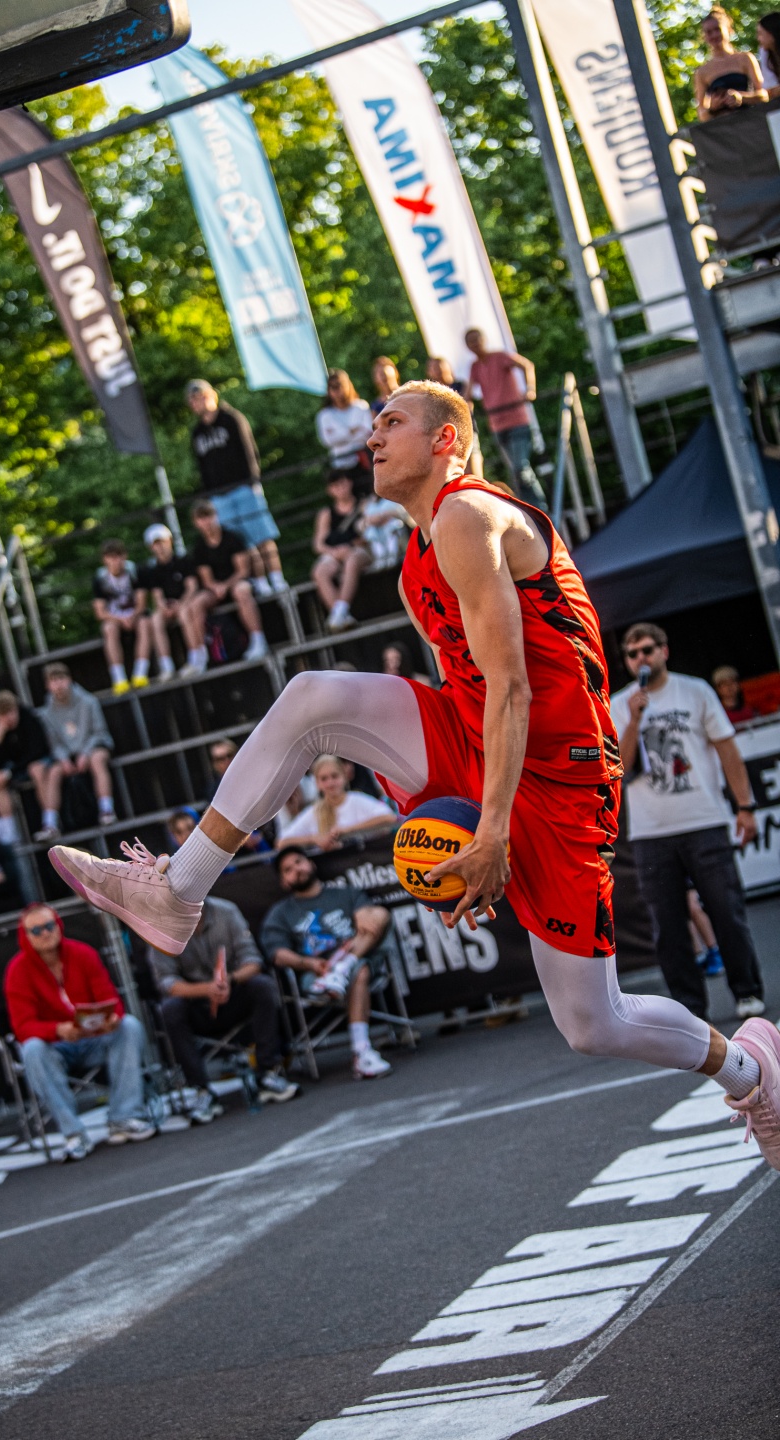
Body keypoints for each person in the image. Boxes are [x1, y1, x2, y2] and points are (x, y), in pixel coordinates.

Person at [50, 378, 780, 1177]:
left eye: (390, 421)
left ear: (444, 440)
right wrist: (452, 830)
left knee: (592, 1023)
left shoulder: (471, 514)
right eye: (372, 425)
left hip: (560, 774)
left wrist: (491, 831)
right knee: (312, 698)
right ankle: (178, 890)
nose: (371, 437)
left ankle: (752, 1072)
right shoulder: (412, 567)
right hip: (475, 735)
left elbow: (513, 686)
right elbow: (465, 694)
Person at [612, 622, 765, 1022]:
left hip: (703, 821)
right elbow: (619, 768)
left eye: (647, 650)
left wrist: (745, 806)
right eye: (632, 654)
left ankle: (747, 990)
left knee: (726, 910)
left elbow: (727, 750)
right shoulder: (619, 703)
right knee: (667, 925)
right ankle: (689, 1008)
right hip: (650, 832)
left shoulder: (695, 691)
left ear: (664, 651)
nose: (641, 659)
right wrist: (633, 720)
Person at [4, 904, 157, 1160]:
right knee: (32, 1050)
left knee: (129, 1026)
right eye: (36, 930)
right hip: (56, 1047)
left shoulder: (82, 953)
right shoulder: (18, 970)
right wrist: (57, 1030)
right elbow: (23, 1027)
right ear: (25, 936)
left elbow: (111, 1000)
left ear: (58, 925)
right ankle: (73, 1133)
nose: (45, 933)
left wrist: (111, 1019)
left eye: (49, 926)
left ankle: (125, 1116)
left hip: (94, 1038)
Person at [151, 895, 298, 1119]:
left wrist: (230, 980)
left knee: (262, 986)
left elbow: (253, 961)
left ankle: (268, 1071)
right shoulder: (158, 925)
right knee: (170, 1009)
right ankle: (200, 1089)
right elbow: (166, 982)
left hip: (233, 994)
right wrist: (206, 989)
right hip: (196, 1005)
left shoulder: (227, 911)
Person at [261, 847, 392, 1080]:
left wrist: (364, 916)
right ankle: (361, 1051)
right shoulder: (280, 913)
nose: (296, 870)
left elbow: (371, 920)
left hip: (354, 952)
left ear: (311, 864)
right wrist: (311, 964)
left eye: (299, 862)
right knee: (359, 969)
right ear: (283, 881)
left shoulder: (344, 893)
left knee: (378, 916)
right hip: (317, 973)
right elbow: (277, 954)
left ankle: (343, 968)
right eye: (288, 869)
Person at [185, 380, 287, 596]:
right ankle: (260, 582)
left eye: (201, 397)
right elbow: (202, 467)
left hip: (243, 488)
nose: (198, 403)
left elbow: (249, 451)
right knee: (242, 544)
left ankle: (277, 579)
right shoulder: (197, 434)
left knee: (262, 535)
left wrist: (253, 482)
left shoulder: (231, 419)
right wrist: (209, 495)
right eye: (193, 400)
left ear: (212, 396)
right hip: (219, 497)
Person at [465, 329, 547, 511]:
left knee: (520, 468)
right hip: (497, 425)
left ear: (484, 339)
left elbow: (526, 365)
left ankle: (540, 509)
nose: (475, 344)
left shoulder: (500, 356)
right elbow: (468, 394)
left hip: (517, 420)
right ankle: (528, 510)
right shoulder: (475, 367)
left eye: (476, 339)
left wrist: (530, 389)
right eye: (470, 341)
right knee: (516, 472)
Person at [189, 500, 269, 663]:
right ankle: (200, 653)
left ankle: (258, 639)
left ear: (215, 516)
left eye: (208, 516)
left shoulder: (232, 537)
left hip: (238, 582)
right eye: (201, 518)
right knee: (195, 604)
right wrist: (216, 587)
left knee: (241, 591)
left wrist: (225, 586)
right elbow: (206, 579)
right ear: (195, 522)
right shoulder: (199, 547)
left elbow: (243, 571)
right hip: (216, 590)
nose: (206, 522)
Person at [40, 662, 117, 825]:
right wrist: (64, 759)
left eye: (61, 679)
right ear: (47, 685)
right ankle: (50, 823)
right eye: (53, 681)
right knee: (53, 772)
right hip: (68, 755)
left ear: (69, 680)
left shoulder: (89, 701)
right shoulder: (46, 713)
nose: (58, 685)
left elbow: (99, 732)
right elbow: (53, 743)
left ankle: (106, 810)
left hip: (95, 746)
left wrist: (86, 753)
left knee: (97, 760)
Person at [278, 754, 396, 850]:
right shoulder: (314, 812)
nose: (330, 783)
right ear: (317, 783)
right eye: (324, 779)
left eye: (334, 776)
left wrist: (348, 830)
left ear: (344, 777)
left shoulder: (356, 799)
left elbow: (389, 817)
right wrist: (314, 839)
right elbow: (282, 842)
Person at [0, 690, 59, 843]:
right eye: (3, 714)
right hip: (17, 769)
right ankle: (10, 833)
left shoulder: (29, 720)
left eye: (11, 711)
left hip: (38, 763)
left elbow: (37, 752)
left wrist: (10, 773)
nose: (9, 718)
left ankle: (50, 823)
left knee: (36, 769)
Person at [144, 524, 208, 680]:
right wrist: (164, 607)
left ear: (170, 541)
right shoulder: (152, 570)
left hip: (186, 602)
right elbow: (157, 595)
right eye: (156, 544)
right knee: (155, 619)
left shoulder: (183, 560)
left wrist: (181, 604)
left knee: (185, 612)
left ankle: (196, 658)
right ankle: (166, 666)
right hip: (170, 607)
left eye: (162, 542)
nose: (160, 547)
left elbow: (192, 587)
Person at [311, 471, 370, 632]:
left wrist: (349, 546)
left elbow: (370, 535)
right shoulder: (326, 514)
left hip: (360, 551)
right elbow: (318, 544)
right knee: (320, 571)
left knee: (352, 561)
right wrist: (334, 552)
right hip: (335, 553)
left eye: (342, 483)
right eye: (335, 486)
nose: (340, 489)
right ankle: (342, 615)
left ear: (349, 483)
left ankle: (339, 613)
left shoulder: (364, 505)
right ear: (329, 490)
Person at [92, 538, 152, 693]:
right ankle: (119, 679)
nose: (116, 561)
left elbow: (141, 603)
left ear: (125, 556)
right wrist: (120, 619)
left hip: (135, 614)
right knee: (108, 629)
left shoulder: (135, 571)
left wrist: (132, 616)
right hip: (115, 618)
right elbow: (100, 612)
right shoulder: (100, 579)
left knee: (145, 624)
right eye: (111, 557)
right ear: (104, 559)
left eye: (118, 556)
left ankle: (140, 674)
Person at [694, 6, 766, 118]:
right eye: (709, 32)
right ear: (704, 37)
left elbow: (764, 95)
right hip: (724, 125)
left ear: (729, 30)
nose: (714, 35)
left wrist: (741, 98)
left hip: (751, 120)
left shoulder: (745, 58)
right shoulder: (702, 72)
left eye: (717, 29)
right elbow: (702, 114)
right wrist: (712, 108)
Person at [426, 356, 483, 477]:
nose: (437, 370)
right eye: (433, 367)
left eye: (439, 366)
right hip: (446, 438)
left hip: (466, 433)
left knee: (474, 474)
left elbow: (467, 405)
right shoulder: (431, 396)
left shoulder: (460, 386)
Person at [315, 370, 374, 487]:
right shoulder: (324, 415)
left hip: (364, 461)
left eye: (339, 385)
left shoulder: (361, 407)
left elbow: (367, 434)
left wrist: (339, 435)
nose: (337, 390)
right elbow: (328, 441)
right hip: (341, 466)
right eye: (332, 387)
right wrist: (352, 431)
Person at [758, 12, 780, 95]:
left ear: (772, 33)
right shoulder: (765, 53)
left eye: (760, 34)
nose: (758, 38)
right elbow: (768, 88)